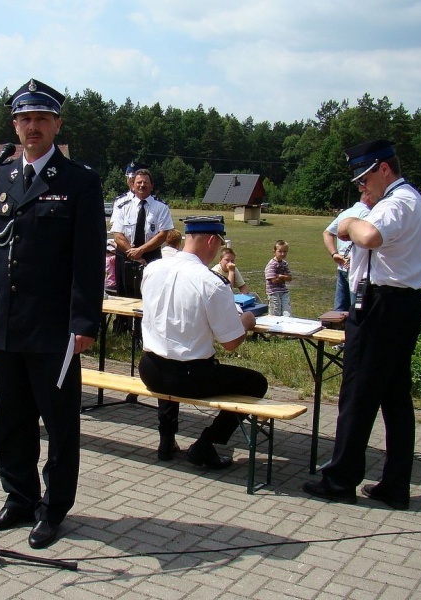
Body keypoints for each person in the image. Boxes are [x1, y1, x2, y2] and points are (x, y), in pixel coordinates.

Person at [0, 78, 105, 550]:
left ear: (57, 125)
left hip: (54, 331)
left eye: (41, 119)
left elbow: (87, 262)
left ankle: (54, 508)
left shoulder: (79, 182)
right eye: (24, 119)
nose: (32, 127)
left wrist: (84, 322)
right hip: (6, 323)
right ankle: (19, 497)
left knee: (59, 425)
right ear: (15, 124)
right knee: (12, 419)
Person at [303, 140, 421, 510]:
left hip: (382, 306)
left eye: (364, 178)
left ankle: (340, 479)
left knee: (358, 394)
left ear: (384, 169)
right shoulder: (402, 200)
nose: (362, 187)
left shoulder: (398, 202)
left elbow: (368, 237)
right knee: (393, 397)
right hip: (393, 304)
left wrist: (347, 222)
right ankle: (394, 484)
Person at [139, 215, 268, 464]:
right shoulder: (211, 282)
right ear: (211, 241)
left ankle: (166, 440)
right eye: (219, 245)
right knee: (256, 384)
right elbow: (230, 344)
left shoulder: (153, 268)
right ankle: (206, 444)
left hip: (150, 369)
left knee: (169, 353)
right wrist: (247, 322)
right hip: (189, 378)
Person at [109, 168, 173, 297]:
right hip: (126, 256)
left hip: (151, 257)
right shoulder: (121, 205)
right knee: (123, 298)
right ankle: (122, 319)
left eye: (145, 182)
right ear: (133, 185)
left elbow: (162, 235)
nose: (142, 185)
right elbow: (117, 235)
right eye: (139, 182)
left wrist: (141, 251)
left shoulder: (161, 207)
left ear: (152, 186)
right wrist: (136, 255)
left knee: (150, 297)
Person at [323, 189, 375, 311]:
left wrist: (334, 253)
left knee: (339, 312)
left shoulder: (345, 213)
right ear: (369, 196)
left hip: (342, 267)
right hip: (357, 270)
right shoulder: (367, 215)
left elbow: (327, 233)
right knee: (356, 312)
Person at [264, 240, 292, 316]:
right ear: (274, 251)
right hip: (273, 292)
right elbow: (273, 280)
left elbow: (290, 278)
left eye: (285, 251)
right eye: (280, 251)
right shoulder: (271, 264)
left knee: (287, 312)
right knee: (275, 313)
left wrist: (280, 276)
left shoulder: (284, 263)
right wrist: (283, 277)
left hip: (284, 291)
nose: (282, 254)